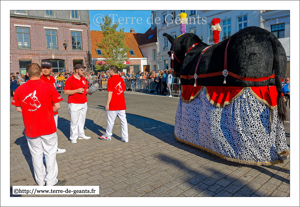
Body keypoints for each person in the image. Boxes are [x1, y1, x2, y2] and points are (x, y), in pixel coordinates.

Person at [11, 63, 64, 186]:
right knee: (50, 154)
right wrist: (46, 110)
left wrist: (30, 109)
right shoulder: (49, 87)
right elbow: (57, 106)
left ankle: (40, 181)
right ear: (40, 73)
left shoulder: (19, 89)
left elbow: (18, 109)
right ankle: (51, 180)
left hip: (31, 128)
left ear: (27, 74)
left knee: (36, 155)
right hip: (48, 126)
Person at [40, 60, 66, 154]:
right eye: (43, 68)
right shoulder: (39, 80)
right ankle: (45, 150)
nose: (45, 70)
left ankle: (54, 148)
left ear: (51, 69)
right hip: (44, 110)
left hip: (54, 109)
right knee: (45, 131)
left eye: (47, 68)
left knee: (54, 130)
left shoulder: (52, 79)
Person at [100, 65, 128, 143]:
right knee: (123, 121)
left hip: (113, 103)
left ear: (112, 70)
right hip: (121, 103)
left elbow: (110, 92)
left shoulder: (111, 80)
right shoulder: (121, 79)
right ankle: (125, 137)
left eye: (109, 70)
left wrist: (107, 104)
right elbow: (123, 90)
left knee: (110, 121)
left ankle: (108, 135)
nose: (108, 72)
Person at [64, 64, 92, 144]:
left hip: (84, 102)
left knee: (82, 120)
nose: (83, 72)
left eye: (83, 70)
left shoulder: (83, 78)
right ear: (76, 70)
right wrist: (76, 90)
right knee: (74, 121)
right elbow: (66, 92)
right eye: (81, 70)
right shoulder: (70, 79)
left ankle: (81, 134)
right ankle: (73, 137)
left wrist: (90, 91)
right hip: (74, 103)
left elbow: (85, 89)